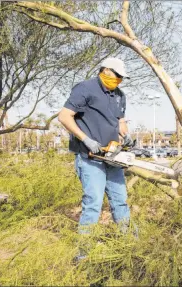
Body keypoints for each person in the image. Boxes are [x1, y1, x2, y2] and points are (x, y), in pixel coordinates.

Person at [58, 57, 134, 236]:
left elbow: (120, 121)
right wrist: (86, 139)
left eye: (122, 78)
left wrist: (126, 134)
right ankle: (84, 252)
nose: (119, 80)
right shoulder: (85, 88)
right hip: (90, 158)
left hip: (112, 157)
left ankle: (129, 243)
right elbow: (64, 116)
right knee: (93, 204)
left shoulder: (119, 96)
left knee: (120, 201)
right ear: (106, 70)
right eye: (117, 76)